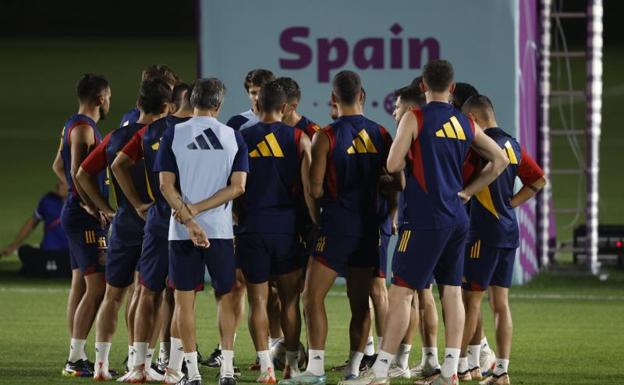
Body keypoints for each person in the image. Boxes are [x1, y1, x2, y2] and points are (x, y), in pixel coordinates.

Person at [341, 59, 509, 385]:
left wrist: (410, 154)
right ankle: (450, 371)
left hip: (422, 218)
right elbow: (499, 160)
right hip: (457, 218)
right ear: (453, 87)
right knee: (451, 291)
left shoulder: (414, 118)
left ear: (422, 86)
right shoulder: (464, 121)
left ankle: (381, 370)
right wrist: (468, 191)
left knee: (402, 291)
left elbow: (391, 164)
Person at [281, 70, 398, 385]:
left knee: (311, 297)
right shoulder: (383, 134)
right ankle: (353, 371)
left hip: (337, 226)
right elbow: (396, 181)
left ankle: (316, 369)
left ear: (334, 98)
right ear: (362, 96)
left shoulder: (326, 135)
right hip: (371, 226)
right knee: (360, 302)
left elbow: (316, 189)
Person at [76, 77, 171, 381]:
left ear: (138, 104)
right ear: (167, 107)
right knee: (149, 294)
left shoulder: (116, 136)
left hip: (123, 225)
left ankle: (101, 366)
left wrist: (106, 209)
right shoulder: (164, 136)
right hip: (154, 224)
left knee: (113, 296)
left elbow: (82, 174)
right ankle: (139, 363)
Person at [156, 78, 249, 385]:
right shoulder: (233, 137)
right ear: (219, 104)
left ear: (192, 101)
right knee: (226, 296)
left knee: (184, 302)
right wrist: (199, 213)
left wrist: (189, 218)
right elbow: (238, 187)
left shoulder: (173, 133)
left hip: (180, 231)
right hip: (220, 231)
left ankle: (192, 372)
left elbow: (165, 186)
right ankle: (225, 370)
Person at [458, 95, 546, 385]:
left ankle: (461, 367)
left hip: (483, 232)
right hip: (509, 232)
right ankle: (501, 371)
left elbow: (460, 183)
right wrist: (509, 203)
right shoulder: (514, 145)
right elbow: (537, 181)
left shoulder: (479, 148)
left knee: (470, 301)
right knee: (500, 304)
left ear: (473, 119)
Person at [112, 82, 194, 384]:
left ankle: (139, 366)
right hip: (187, 217)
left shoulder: (150, 131)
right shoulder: (200, 131)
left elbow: (119, 163)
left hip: (158, 217)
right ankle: (173, 369)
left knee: (147, 291)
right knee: (181, 296)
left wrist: (136, 203)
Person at [237, 80, 315, 383]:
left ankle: (266, 367)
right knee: (289, 301)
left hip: (252, 227)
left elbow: (234, 186)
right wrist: (314, 223)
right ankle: (292, 366)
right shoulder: (300, 139)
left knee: (257, 301)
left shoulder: (241, 137)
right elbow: (309, 190)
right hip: (288, 229)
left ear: (258, 106)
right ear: (285, 108)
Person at [206, 68, 278, 371]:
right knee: (235, 284)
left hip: (274, 220)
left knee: (273, 289)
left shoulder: (282, 123)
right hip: (241, 220)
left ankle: (276, 345)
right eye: (252, 91)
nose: (256, 96)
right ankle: (227, 349)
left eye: (261, 90)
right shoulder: (236, 124)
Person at [52, 73, 111, 377]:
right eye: (109, 96)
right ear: (101, 98)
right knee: (98, 285)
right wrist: (92, 204)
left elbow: (57, 166)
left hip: (75, 210)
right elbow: (76, 171)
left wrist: (78, 196)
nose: (109, 101)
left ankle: (76, 352)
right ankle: (75, 359)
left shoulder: (71, 123)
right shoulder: (85, 129)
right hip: (84, 216)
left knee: (80, 283)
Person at [0, 181, 70, 277]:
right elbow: (31, 223)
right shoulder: (49, 200)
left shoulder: (81, 204)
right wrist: (14, 245)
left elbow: (32, 222)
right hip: (55, 256)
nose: (58, 185)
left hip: (61, 256)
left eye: (62, 183)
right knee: (23, 250)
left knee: (26, 255)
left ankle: (37, 269)